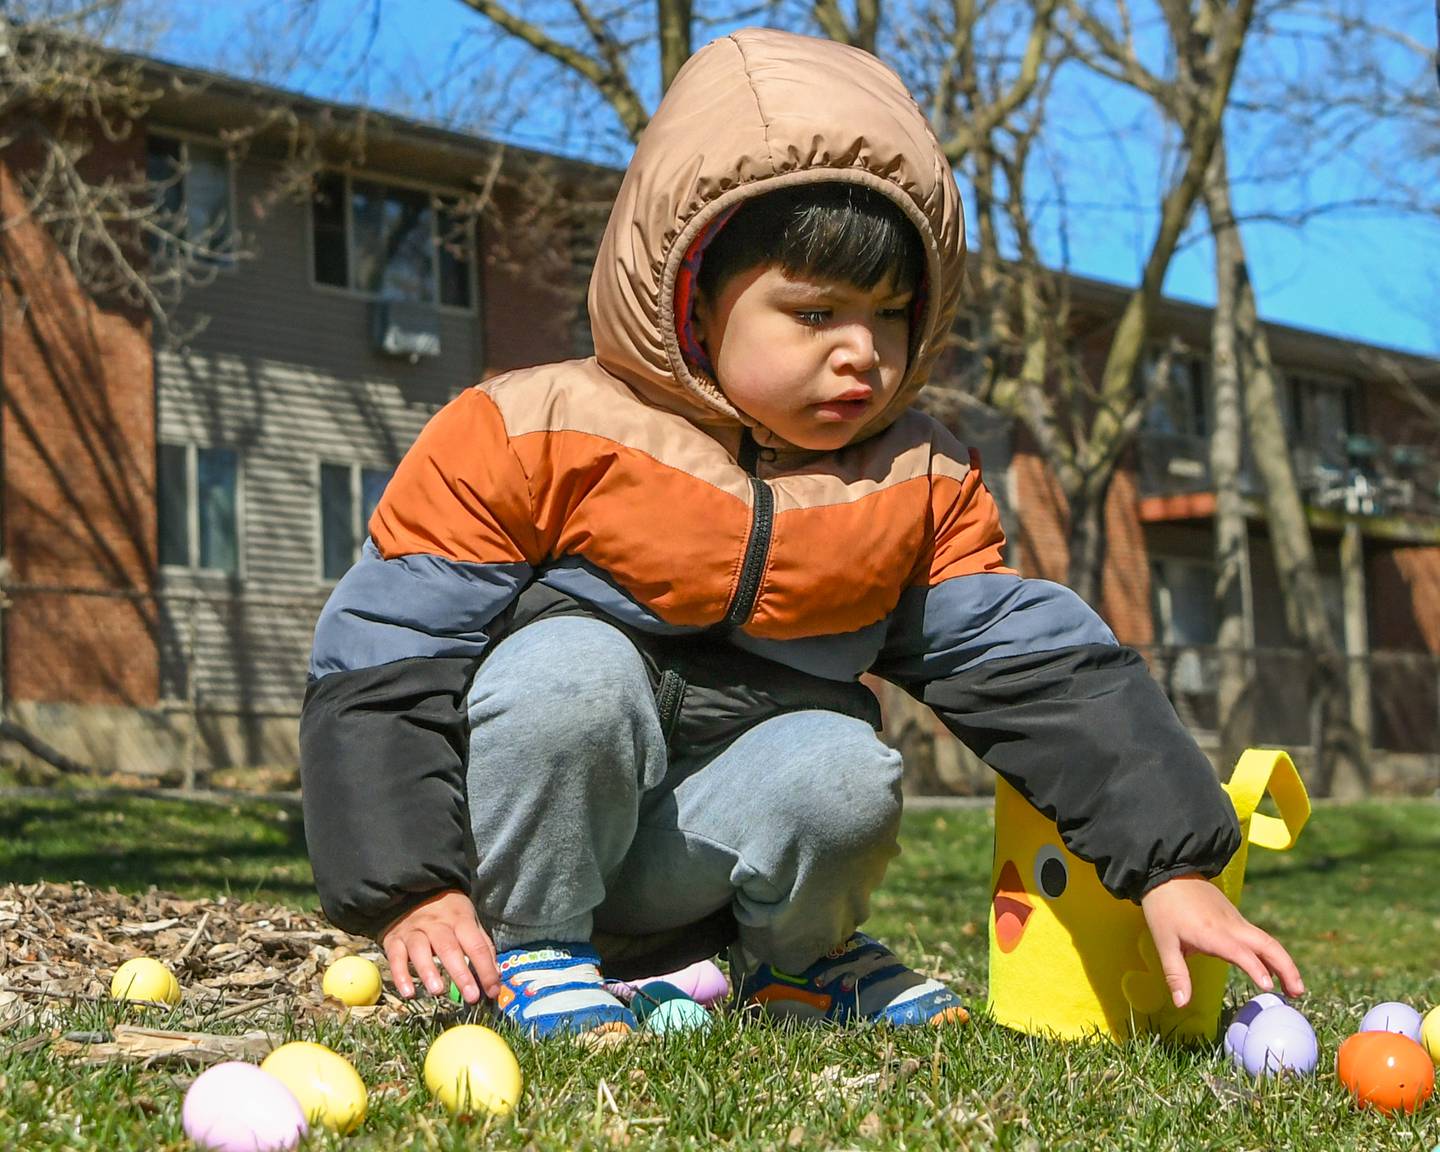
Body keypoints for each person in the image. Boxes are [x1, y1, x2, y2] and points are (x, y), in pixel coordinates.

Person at [299, 27, 1304, 1038]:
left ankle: (796, 965)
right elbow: (388, 657)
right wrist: (412, 888)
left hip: (688, 870)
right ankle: (536, 953)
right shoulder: (531, 430)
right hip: (535, 843)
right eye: (815, 311)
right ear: (695, 296)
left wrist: (1171, 865)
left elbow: (1042, 671)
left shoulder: (916, 480)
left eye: (891, 313)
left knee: (843, 762)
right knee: (570, 666)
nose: (862, 352)